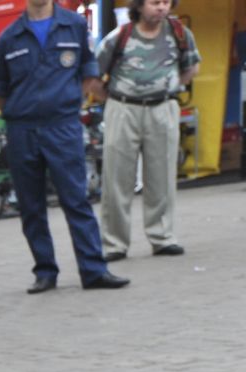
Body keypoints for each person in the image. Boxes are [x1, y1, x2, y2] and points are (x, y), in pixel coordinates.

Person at [0, 0, 129, 293]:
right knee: (31, 205)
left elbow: (89, 75)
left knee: (76, 199)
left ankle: (93, 271)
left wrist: (63, 104)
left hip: (62, 126)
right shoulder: (8, 37)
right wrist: (24, 111)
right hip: (22, 130)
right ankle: (45, 272)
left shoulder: (75, 26)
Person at [94, 0, 199, 260]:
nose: (161, 8)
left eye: (166, 2)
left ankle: (162, 237)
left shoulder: (180, 33)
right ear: (139, 6)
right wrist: (113, 100)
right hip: (123, 108)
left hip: (163, 108)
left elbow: (191, 68)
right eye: (154, 3)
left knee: (162, 174)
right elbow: (93, 77)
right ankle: (114, 244)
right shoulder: (119, 37)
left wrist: (166, 87)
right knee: (116, 178)